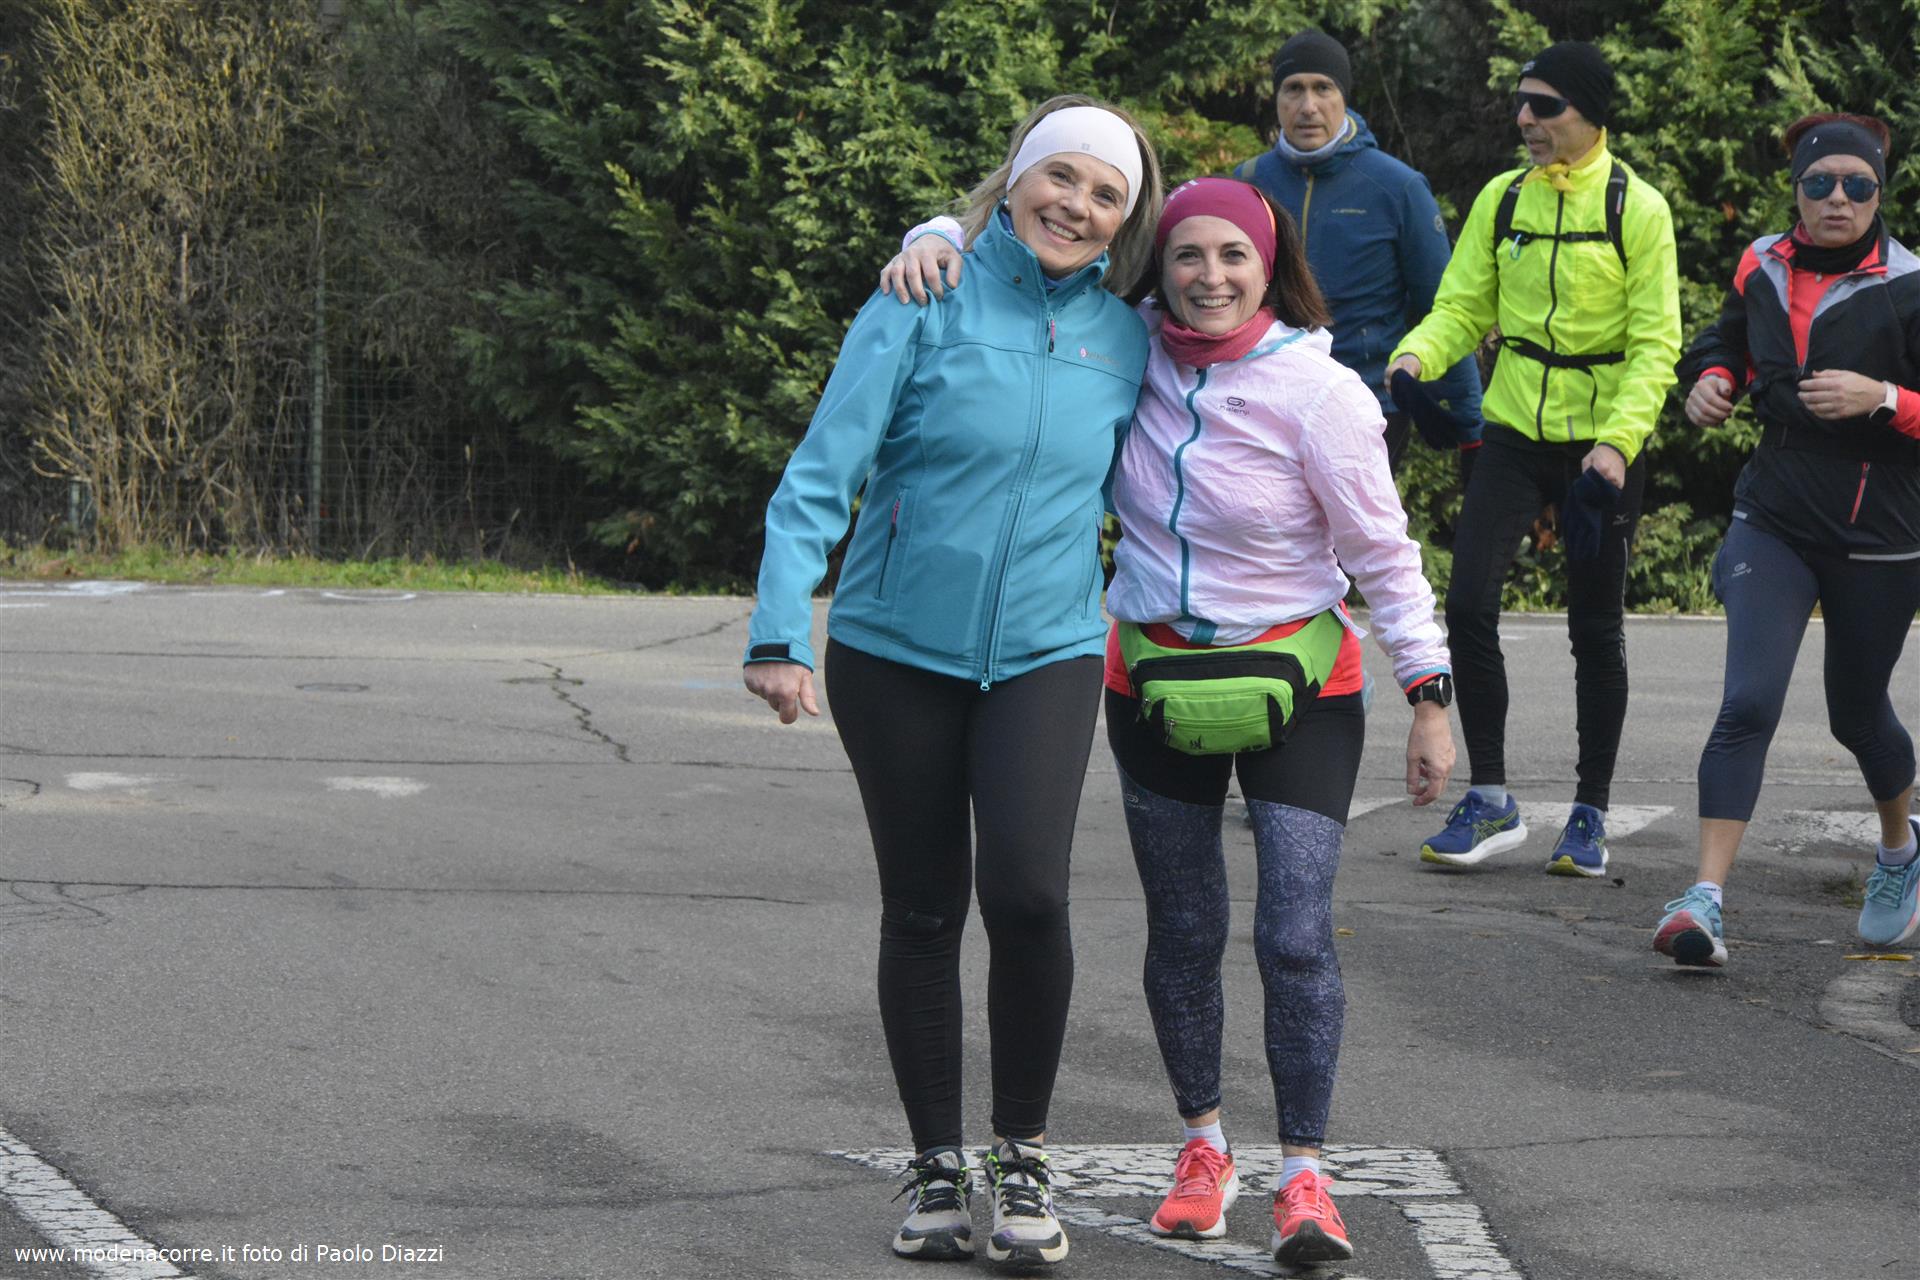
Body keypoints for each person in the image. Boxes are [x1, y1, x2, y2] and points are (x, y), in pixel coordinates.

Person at [881, 177, 1457, 1268]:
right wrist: (936, 231)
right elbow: (1033, 266)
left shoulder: (1319, 391)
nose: (1210, 276)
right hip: (1154, 677)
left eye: (1234, 256)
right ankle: (1204, 1149)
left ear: (1269, 267)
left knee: (1294, 934)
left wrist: (1429, 695)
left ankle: (1304, 1175)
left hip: (1303, 685)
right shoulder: (1126, 346)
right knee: (1184, 932)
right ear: (1162, 265)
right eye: (1188, 254)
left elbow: (1384, 553)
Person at [744, 95, 1164, 1268]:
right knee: (926, 906)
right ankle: (936, 1164)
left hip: (1047, 649)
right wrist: (778, 631)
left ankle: (1020, 1154)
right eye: (1060, 176)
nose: (1076, 205)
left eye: (1106, 194)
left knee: (1028, 893)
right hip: (894, 650)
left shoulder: (1129, 337)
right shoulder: (923, 294)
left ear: (1125, 220)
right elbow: (821, 471)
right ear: (1016, 178)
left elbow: (1210, 435)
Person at [1385, 40, 1681, 877]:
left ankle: (1590, 812)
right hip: (1514, 428)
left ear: (1591, 114)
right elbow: (1461, 306)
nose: (1525, 119)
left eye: (1545, 106)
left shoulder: (1638, 208)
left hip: (1601, 446)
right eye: (1521, 103)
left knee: (1596, 627)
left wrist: (1616, 446)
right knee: (1469, 604)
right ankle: (1491, 799)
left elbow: (1656, 345)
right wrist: (1413, 360)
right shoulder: (1503, 197)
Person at [1656, 113, 1920, 967]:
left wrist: (1885, 398)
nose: (1838, 199)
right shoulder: (1760, 264)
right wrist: (1711, 378)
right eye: (1819, 183)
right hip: (1771, 515)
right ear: (1796, 191)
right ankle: (1703, 900)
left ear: (1880, 193)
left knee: (1857, 714)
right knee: (1749, 702)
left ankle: (1900, 850)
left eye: (1858, 185)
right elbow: (1726, 342)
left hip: (1879, 531)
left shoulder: (1910, 284)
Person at [1233, 29, 1484, 471]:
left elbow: (1444, 309)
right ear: (1276, 98)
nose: (1308, 106)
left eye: (1323, 88)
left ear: (1344, 96)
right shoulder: (1249, 181)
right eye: (1293, 89)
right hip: (1269, 398)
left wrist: (1471, 429)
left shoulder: (1398, 186)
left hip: (1368, 402)